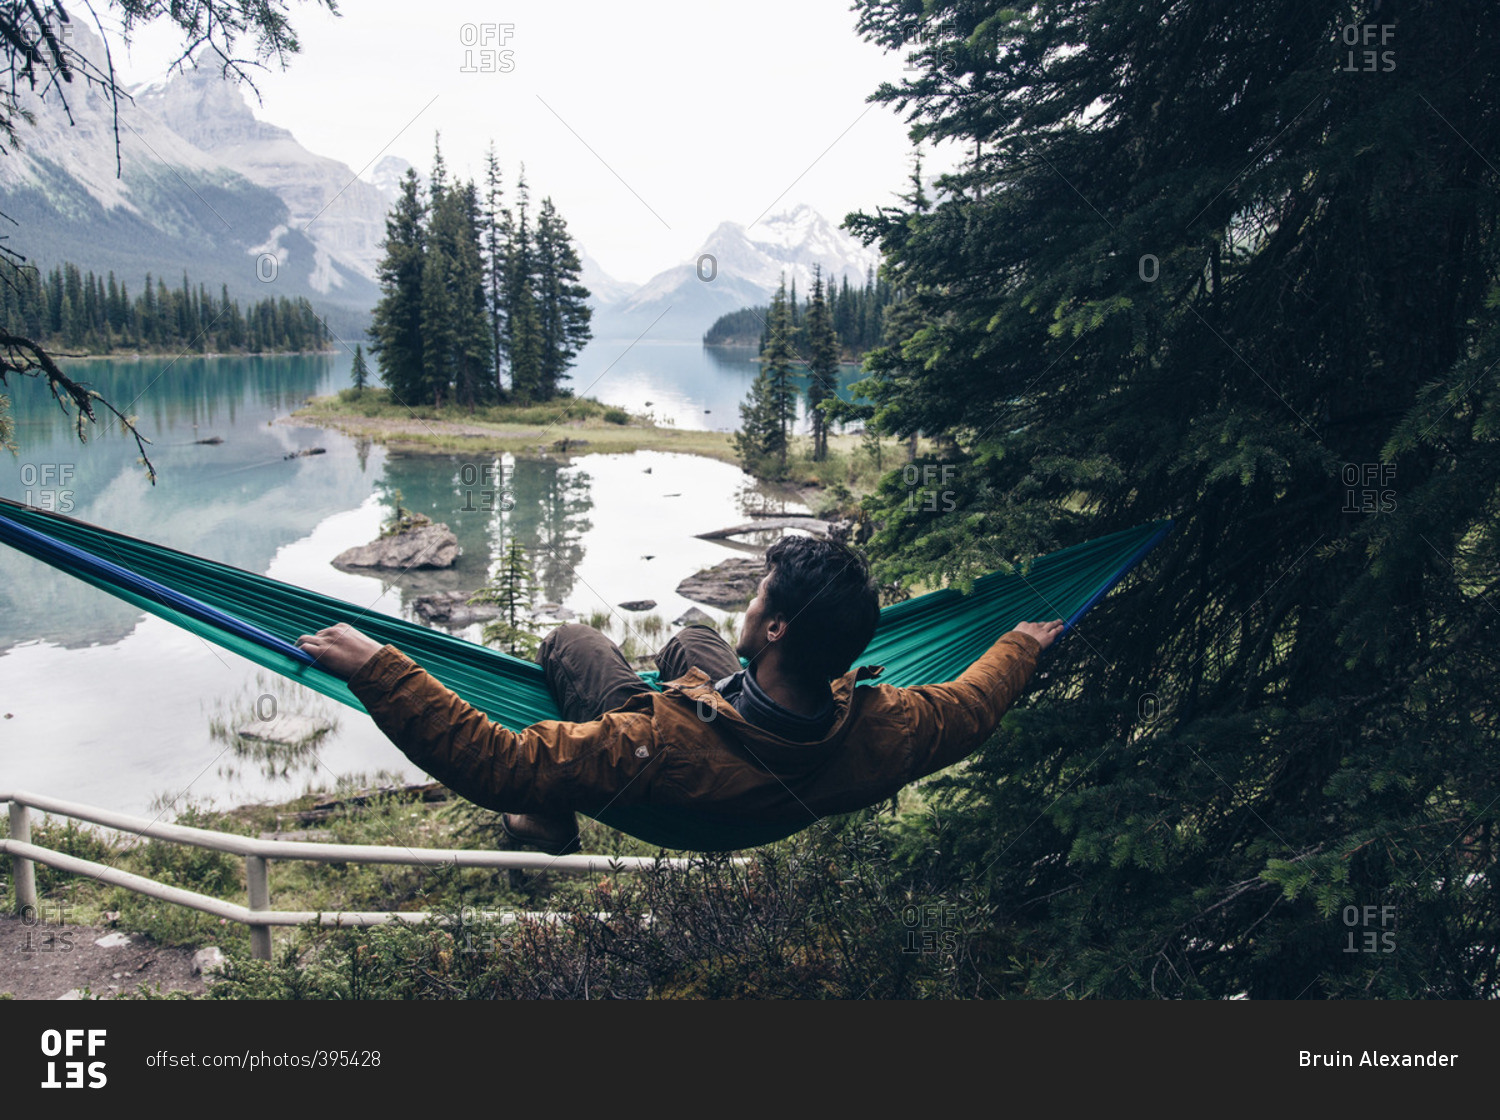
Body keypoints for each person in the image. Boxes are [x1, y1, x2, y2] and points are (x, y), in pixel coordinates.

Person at [296, 536, 1063, 854]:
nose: (749, 608)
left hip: (678, 757)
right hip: (763, 741)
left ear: (778, 630)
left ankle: (550, 823)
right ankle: (689, 674)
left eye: (758, 600)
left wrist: (380, 667)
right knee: (693, 634)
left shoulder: (647, 748)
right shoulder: (884, 727)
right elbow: (973, 705)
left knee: (571, 641)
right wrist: (1021, 644)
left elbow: (499, 762)